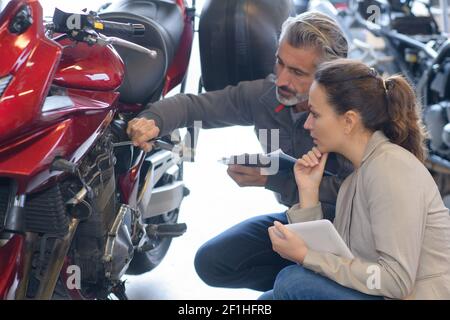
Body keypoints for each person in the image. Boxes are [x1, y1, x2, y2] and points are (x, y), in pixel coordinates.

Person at [127, 12, 353, 291]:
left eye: (297, 72)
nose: (281, 79)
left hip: (355, 235)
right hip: (302, 223)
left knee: (290, 285)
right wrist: (152, 121)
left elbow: (354, 194)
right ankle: (305, 284)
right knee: (212, 263)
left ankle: (308, 285)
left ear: (329, 76)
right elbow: (193, 107)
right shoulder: (267, 96)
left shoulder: (353, 116)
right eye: (280, 62)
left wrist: (272, 180)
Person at [263, 59, 450, 300]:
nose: (308, 124)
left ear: (349, 121)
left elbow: (396, 281)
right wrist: (308, 191)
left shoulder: (391, 169)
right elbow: (334, 265)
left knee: (292, 281)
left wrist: (305, 255)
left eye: (315, 114)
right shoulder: (355, 180)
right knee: (268, 299)